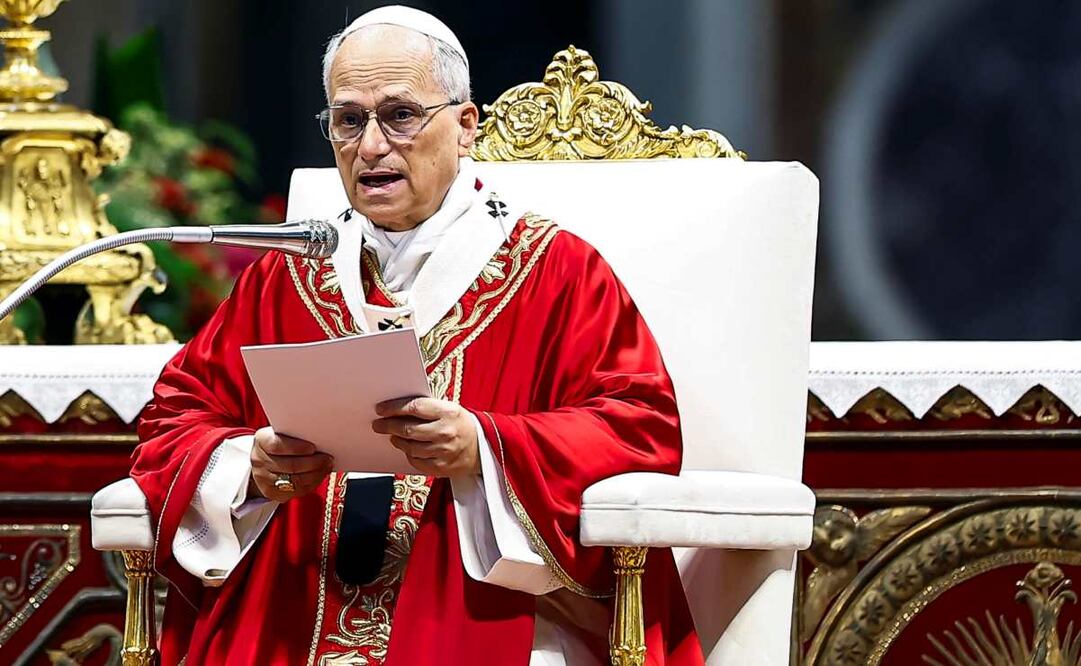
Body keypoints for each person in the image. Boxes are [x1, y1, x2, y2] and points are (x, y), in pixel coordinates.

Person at [131, 6, 702, 665]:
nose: (371, 145)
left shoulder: (556, 270)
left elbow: (640, 428)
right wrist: (248, 466)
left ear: (464, 127)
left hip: (477, 602)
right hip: (297, 597)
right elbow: (174, 417)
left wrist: (484, 447)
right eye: (348, 120)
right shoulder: (289, 276)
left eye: (399, 115)